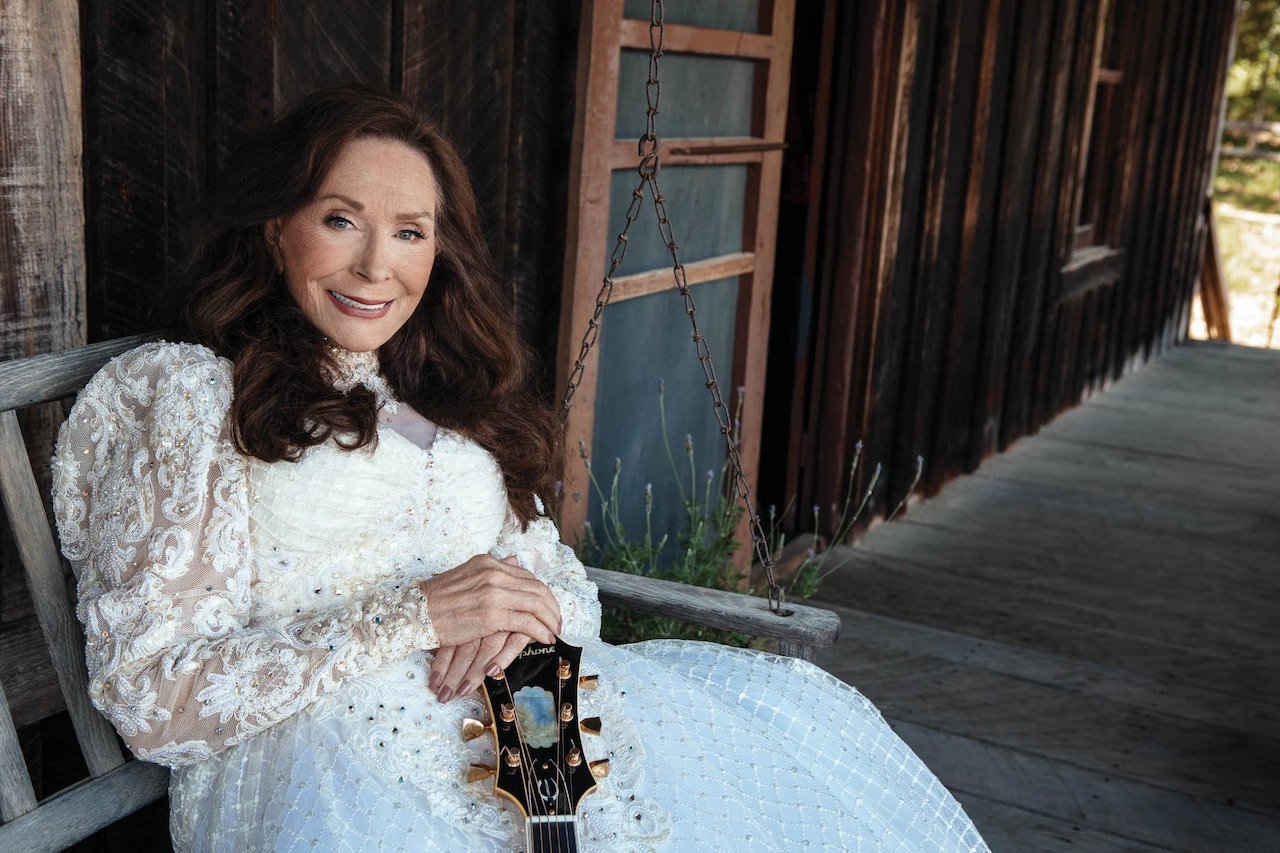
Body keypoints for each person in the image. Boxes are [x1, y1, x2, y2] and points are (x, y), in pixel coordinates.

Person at [51, 84, 988, 852]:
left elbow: (550, 579)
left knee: (784, 752)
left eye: (411, 232)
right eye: (341, 220)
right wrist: (417, 613)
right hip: (339, 766)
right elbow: (155, 693)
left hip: (535, 727)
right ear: (274, 228)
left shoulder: (422, 401)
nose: (377, 266)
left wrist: (515, 613)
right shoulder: (188, 397)